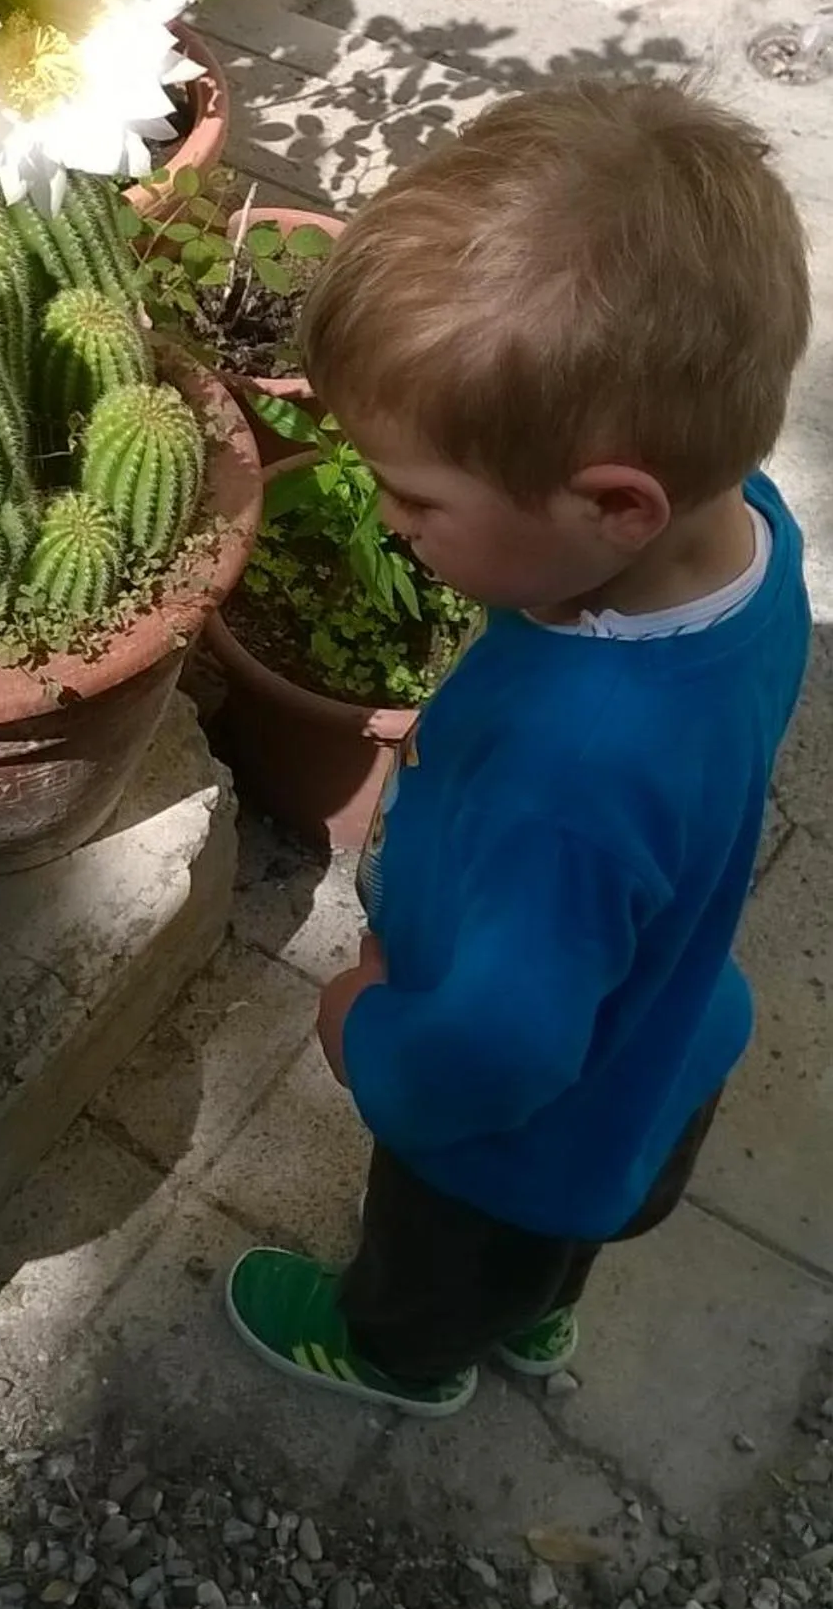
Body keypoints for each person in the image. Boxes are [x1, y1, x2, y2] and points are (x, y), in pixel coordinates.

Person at [225, 81, 812, 1417]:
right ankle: (535, 1319)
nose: (389, 519)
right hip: (668, 1049)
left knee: (437, 1263)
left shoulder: (573, 770)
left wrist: (368, 1030)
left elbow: (497, 1050)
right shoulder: (749, 543)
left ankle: (404, 1358)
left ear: (615, 503)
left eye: (419, 495)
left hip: (514, 1139)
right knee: (561, 1245)